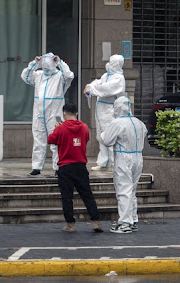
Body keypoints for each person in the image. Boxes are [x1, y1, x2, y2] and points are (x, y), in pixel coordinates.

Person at [47, 103, 103, 233]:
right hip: (80, 166)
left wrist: (56, 128)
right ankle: (96, 222)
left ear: (64, 114)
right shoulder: (84, 127)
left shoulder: (61, 128)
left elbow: (51, 139)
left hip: (65, 167)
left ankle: (71, 224)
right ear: (76, 113)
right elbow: (86, 139)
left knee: (67, 197)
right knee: (87, 195)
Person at [21, 53, 74, 176]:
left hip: (55, 113)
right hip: (39, 113)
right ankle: (36, 167)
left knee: (57, 139)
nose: (45, 70)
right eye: (43, 67)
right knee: (38, 139)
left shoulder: (60, 77)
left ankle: (58, 167)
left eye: (47, 68)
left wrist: (60, 62)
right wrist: (34, 63)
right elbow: (26, 76)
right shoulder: (39, 75)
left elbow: (69, 75)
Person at [100, 96, 148, 234]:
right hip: (138, 156)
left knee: (123, 190)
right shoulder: (138, 122)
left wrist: (104, 134)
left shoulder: (117, 123)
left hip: (123, 157)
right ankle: (132, 219)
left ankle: (125, 222)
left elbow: (107, 140)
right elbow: (144, 133)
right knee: (132, 190)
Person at [84, 55, 127, 170]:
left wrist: (91, 90)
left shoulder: (118, 78)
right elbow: (97, 83)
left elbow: (106, 89)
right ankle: (104, 161)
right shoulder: (106, 76)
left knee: (110, 136)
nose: (107, 63)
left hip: (110, 111)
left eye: (110, 61)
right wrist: (89, 86)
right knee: (101, 136)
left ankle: (115, 162)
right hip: (101, 110)